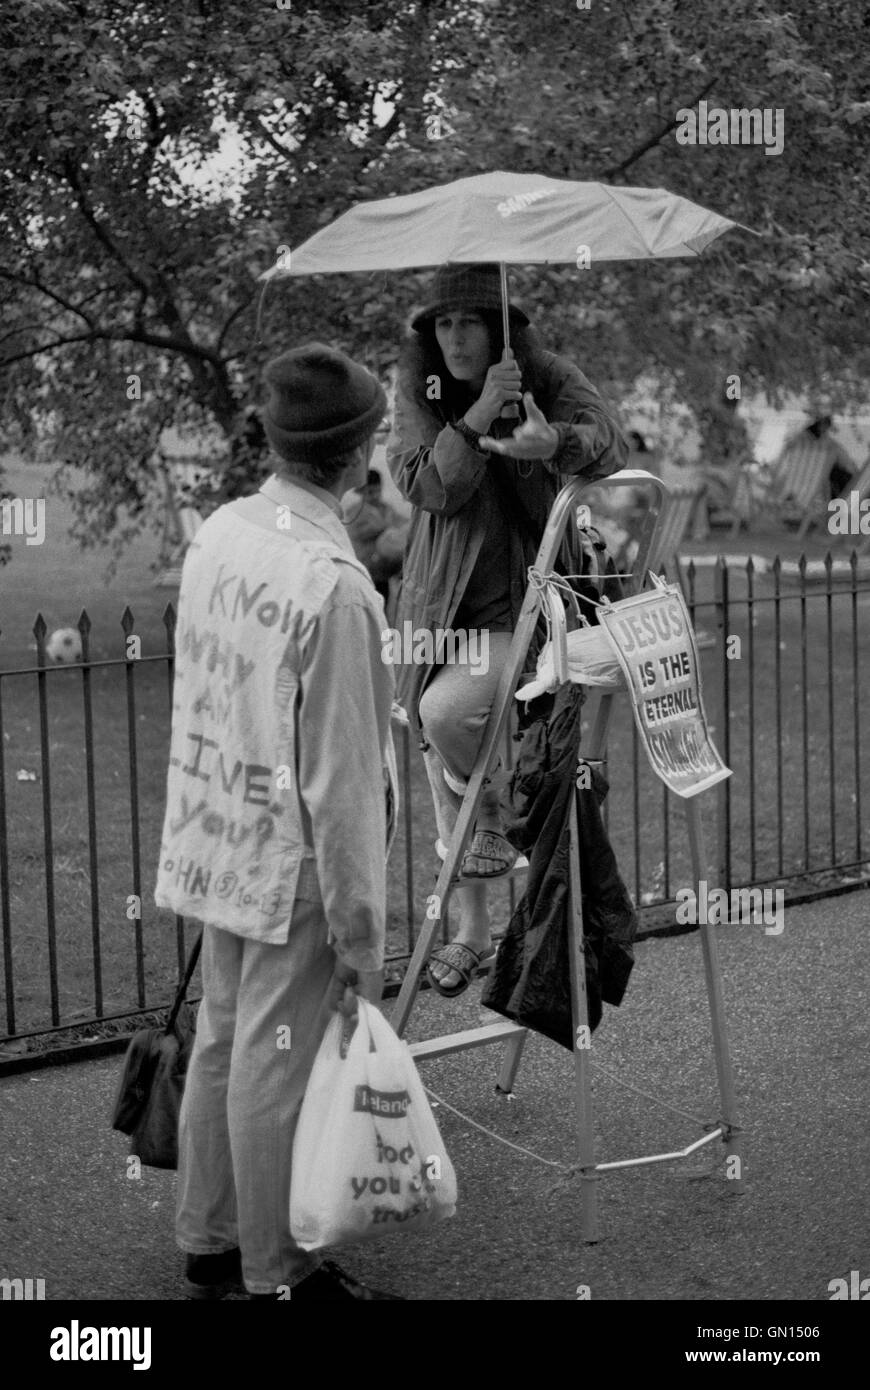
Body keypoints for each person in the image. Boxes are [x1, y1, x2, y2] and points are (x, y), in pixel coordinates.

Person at [154, 343, 401, 1301]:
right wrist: (360, 933)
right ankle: (279, 1273)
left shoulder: (221, 530)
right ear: (356, 448)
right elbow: (344, 781)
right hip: (289, 849)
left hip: (217, 822)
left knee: (226, 1036)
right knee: (274, 1056)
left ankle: (209, 1239)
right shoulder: (334, 589)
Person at [387, 262, 628, 998]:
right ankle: (471, 923)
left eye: (468, 321)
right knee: (440, 743)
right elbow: (428, 485)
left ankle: (496, 824)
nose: (453, 337)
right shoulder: (421, 384)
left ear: (499, 326)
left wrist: (550, 440)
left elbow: (610, 444)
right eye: (442, 324)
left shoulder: (546, 372)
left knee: (448, 713)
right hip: (440, 609)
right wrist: (476, 414)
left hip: (536, 604)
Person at [771, 414, 857, 525]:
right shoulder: (829, 447)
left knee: (839, 478)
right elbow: (846, 462)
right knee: (845, 479)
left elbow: (782, 455)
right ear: (824, 427)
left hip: (790, 490)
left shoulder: (797, 442)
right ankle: (842, 516)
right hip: (808, 495)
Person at [345, 467, 408, 604]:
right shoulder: (355, 511)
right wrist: (385, 527)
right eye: (370, 492)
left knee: (384, 601)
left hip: (383, 571)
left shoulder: (386, 508)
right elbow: (356, 532)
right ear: (361, 492)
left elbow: (401, 521)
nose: (374, 496)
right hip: (365, 570)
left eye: (377, 491)